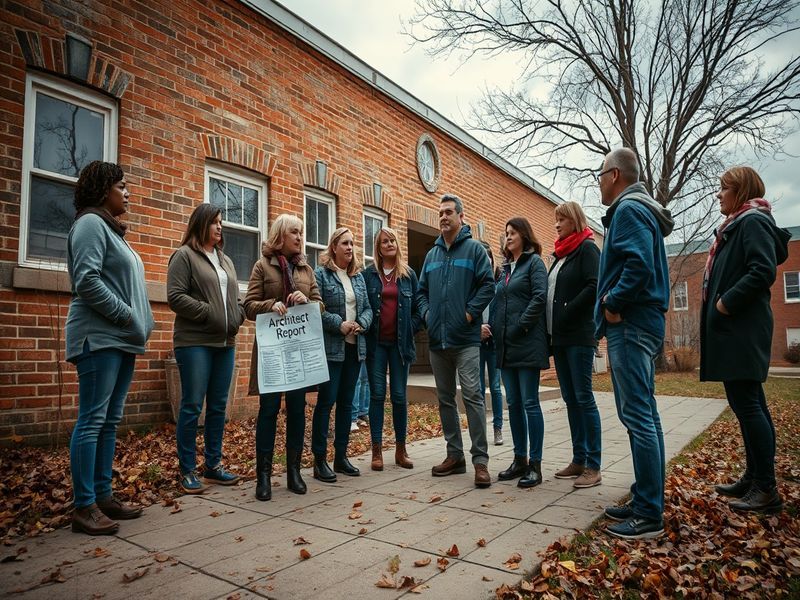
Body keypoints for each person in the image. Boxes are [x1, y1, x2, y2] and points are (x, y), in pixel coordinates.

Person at [65, 161, 154, 535]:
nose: (128, 192)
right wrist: (124, 316)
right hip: (99, 337)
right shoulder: (89, 224)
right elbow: (86, 281)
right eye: (122, 186)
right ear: (104, 191)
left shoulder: (113, 231)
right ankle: (84, 505)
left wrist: (135, 324)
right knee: (92, 420)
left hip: (122, 340)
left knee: (109, 420)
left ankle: (103, 496)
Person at [595, 148, 674, 540]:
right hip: (642, 322)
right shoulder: (641, 209)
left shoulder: (628, 210)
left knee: (638, 415)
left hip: (630, 322)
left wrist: (612, 303)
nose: (598, 182)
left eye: (600, 174)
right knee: (645, 415)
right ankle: (647, 496)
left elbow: (638, 265)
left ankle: (648, 514)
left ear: (614, 175)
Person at [700, 166, 789, 514]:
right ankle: (754, 477)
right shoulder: (739, 223)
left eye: (724, 189)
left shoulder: (751, 221)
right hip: (736, 331)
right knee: (748, 405)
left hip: (742, 329)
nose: (719, 195)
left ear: (740, 191)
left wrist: (724, 303)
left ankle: (765, 489)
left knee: (749, 406)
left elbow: (762, 270)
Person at [418, 194, 495, 488]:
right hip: (438, 341)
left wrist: (469, 314)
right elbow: (421, 291)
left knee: (473, 396)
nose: (443, 217)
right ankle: (455, 455)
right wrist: (427, 315)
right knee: (445, 399)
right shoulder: (432, 255)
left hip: (466, 340)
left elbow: (488, 285)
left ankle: (480, 461)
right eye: (440, 213)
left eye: (449, 212)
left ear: (461, 217)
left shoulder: (474, 250)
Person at [168, 204, 246, 495]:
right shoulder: (184, 256)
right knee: (192, 405)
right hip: (195, 342)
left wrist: (236, 316)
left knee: (217, 406)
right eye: (215, 222)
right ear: (201, 224)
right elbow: (175, 296)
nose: (220, 227)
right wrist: (209, 312)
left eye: (221, 223)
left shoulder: (224, 260)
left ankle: (213, 466)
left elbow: (237, 298)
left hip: (225, 343)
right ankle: (187, 470)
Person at [244, 214, 322, 500]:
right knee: (268, 411)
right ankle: (263, 476)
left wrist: (309, 301)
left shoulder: (306, 270)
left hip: (298, 350)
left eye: (301, 233)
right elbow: (248, 306)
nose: (300, 238)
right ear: (280, 235)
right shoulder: (262, 266)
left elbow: (319, 306)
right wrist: (270, 304)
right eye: (294, 233)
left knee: (297, 410)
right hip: (272, 351)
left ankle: (293, 472)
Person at [547, 201, 603, 489]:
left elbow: (595, 287)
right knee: (570, 399)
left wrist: (568, 309)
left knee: (584, 398)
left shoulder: (587, 249)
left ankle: (594, 465)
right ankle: (578, 458)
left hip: (580, 336)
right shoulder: (559, 254)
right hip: (560, 338)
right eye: (556, 220)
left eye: (562, 219)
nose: (557, 224)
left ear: (575, 220)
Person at [311, 228, 373, 482]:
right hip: (331, 350)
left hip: (354, 348)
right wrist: (339, 324)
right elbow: (316, 308)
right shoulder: (321, 275)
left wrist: (362, 323)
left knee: (347, 404)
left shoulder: (357, 277)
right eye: (345, 243)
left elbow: (368, 308)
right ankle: (319, 460)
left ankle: (340, 457)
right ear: (334, 246)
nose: (350, 248)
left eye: (353, 244)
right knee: (326, 403)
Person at [493, 217, 549, 488]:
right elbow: (496, 301)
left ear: (524, 235)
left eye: (512, 232)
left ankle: (536, 466)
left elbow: (539, 297)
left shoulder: (534, 263)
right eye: (506, 233)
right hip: (504, 346)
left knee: (529, 403)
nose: (508, 237)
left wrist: (520, 326)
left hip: (526, 342)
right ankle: (520, 460)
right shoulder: (504, 269)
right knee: (513, 403)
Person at [363, 227, 423, 471]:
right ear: (378, 248)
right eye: (384, 241)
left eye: (392, 240)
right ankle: (376, 450)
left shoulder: (408, 275)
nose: (389, 244)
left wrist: (410, 327)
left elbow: (420, 308)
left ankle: (401, 449)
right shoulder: (368, 275)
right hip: (376, 345)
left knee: (399, 396)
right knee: (377, 395)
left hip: (400, 346)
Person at [479, 242, 504, 446]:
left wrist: (492, 329)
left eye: (488, 256)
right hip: (476, 342)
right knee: (477, 388)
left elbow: (502, 312)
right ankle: (480, 429)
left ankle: (498, 428)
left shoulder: (498, 283)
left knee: (495, 387)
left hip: (494, 343)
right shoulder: (473, 284)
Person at [351, 363, 370, 432]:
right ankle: (353, 418)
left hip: (366, 353)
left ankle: (363, 412)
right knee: (357, 380)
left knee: (365, 379)